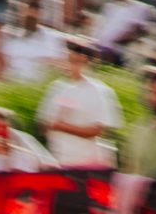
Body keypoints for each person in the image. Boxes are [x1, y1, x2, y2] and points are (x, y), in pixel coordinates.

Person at [34, 37, 121, 166]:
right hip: (58, 160)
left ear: (87, 63)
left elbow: (98, 131)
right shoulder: (57, 87)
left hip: (85, 164)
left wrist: (63, 126)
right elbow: (44, 124)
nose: (70, 65)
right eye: (70, 60)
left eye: (76, 61)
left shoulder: (99, 91)